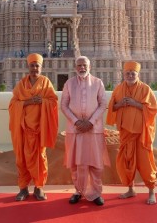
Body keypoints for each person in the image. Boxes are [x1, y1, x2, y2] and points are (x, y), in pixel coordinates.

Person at [106, 61, 157, 205]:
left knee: (146, 162)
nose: (129, 75)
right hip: (125, 133)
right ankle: (130, 189)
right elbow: (112, 107)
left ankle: (152, 191)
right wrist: (120, 104)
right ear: (123, 74)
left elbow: (153, 109)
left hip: (141, 134)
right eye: (127, 73)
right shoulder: (118, 89)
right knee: (127, 161)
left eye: (132, 73)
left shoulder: (145, 89)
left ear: (137, 74)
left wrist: (135, 103)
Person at [8, 53, 59, 202]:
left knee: (39, 158)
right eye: (32, 65)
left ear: (41, 68)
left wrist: (43, 101)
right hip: (23, 129)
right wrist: (29, 102)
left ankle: (39, 187)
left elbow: (53, 101)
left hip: (39, 129)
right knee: (21, 158)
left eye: (37, 66)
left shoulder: (45, 83)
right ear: (28, 67)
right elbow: (12, 105)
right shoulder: (21, 85)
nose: (34, 68)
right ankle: (23, 188)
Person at [61, 56, 110, 206]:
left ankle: (95, 193)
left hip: (93, 129)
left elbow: (103, 104)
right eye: (79, 65)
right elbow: (64, 105)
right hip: (75, 130)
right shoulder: (69, 83)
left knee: (95, 163)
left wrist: (90, 122)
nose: (82, 68)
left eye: (84, 65)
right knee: (76, 163)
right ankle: (78, 191)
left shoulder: (97, 83)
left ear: (90, 66)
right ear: (75, 67)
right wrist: (76, 122)